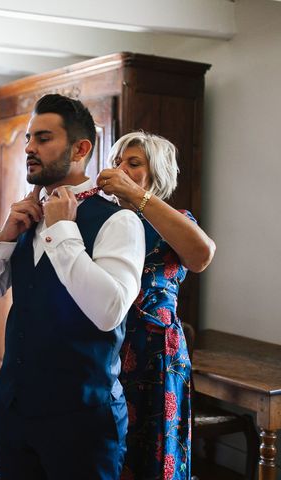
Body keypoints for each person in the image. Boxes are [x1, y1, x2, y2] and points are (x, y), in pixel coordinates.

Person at [0, 93, 146, 479]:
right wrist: (4, 236)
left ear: (81, 148)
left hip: (81, 419)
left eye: (43, 138)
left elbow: (109, 311)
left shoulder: (119, 222)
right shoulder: (25, 216)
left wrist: (64, 229)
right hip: (14, 411)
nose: (29, 148)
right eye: (29, 138)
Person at [97, 131, 216, 480]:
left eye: (133, 164)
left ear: (157, 173)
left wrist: (135, 194)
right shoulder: (101, 220)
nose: (121, 169)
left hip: (154, 353)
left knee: (153, 449)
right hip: (104, 347)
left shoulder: (175, 220)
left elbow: (201, 255)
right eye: (117, 162)